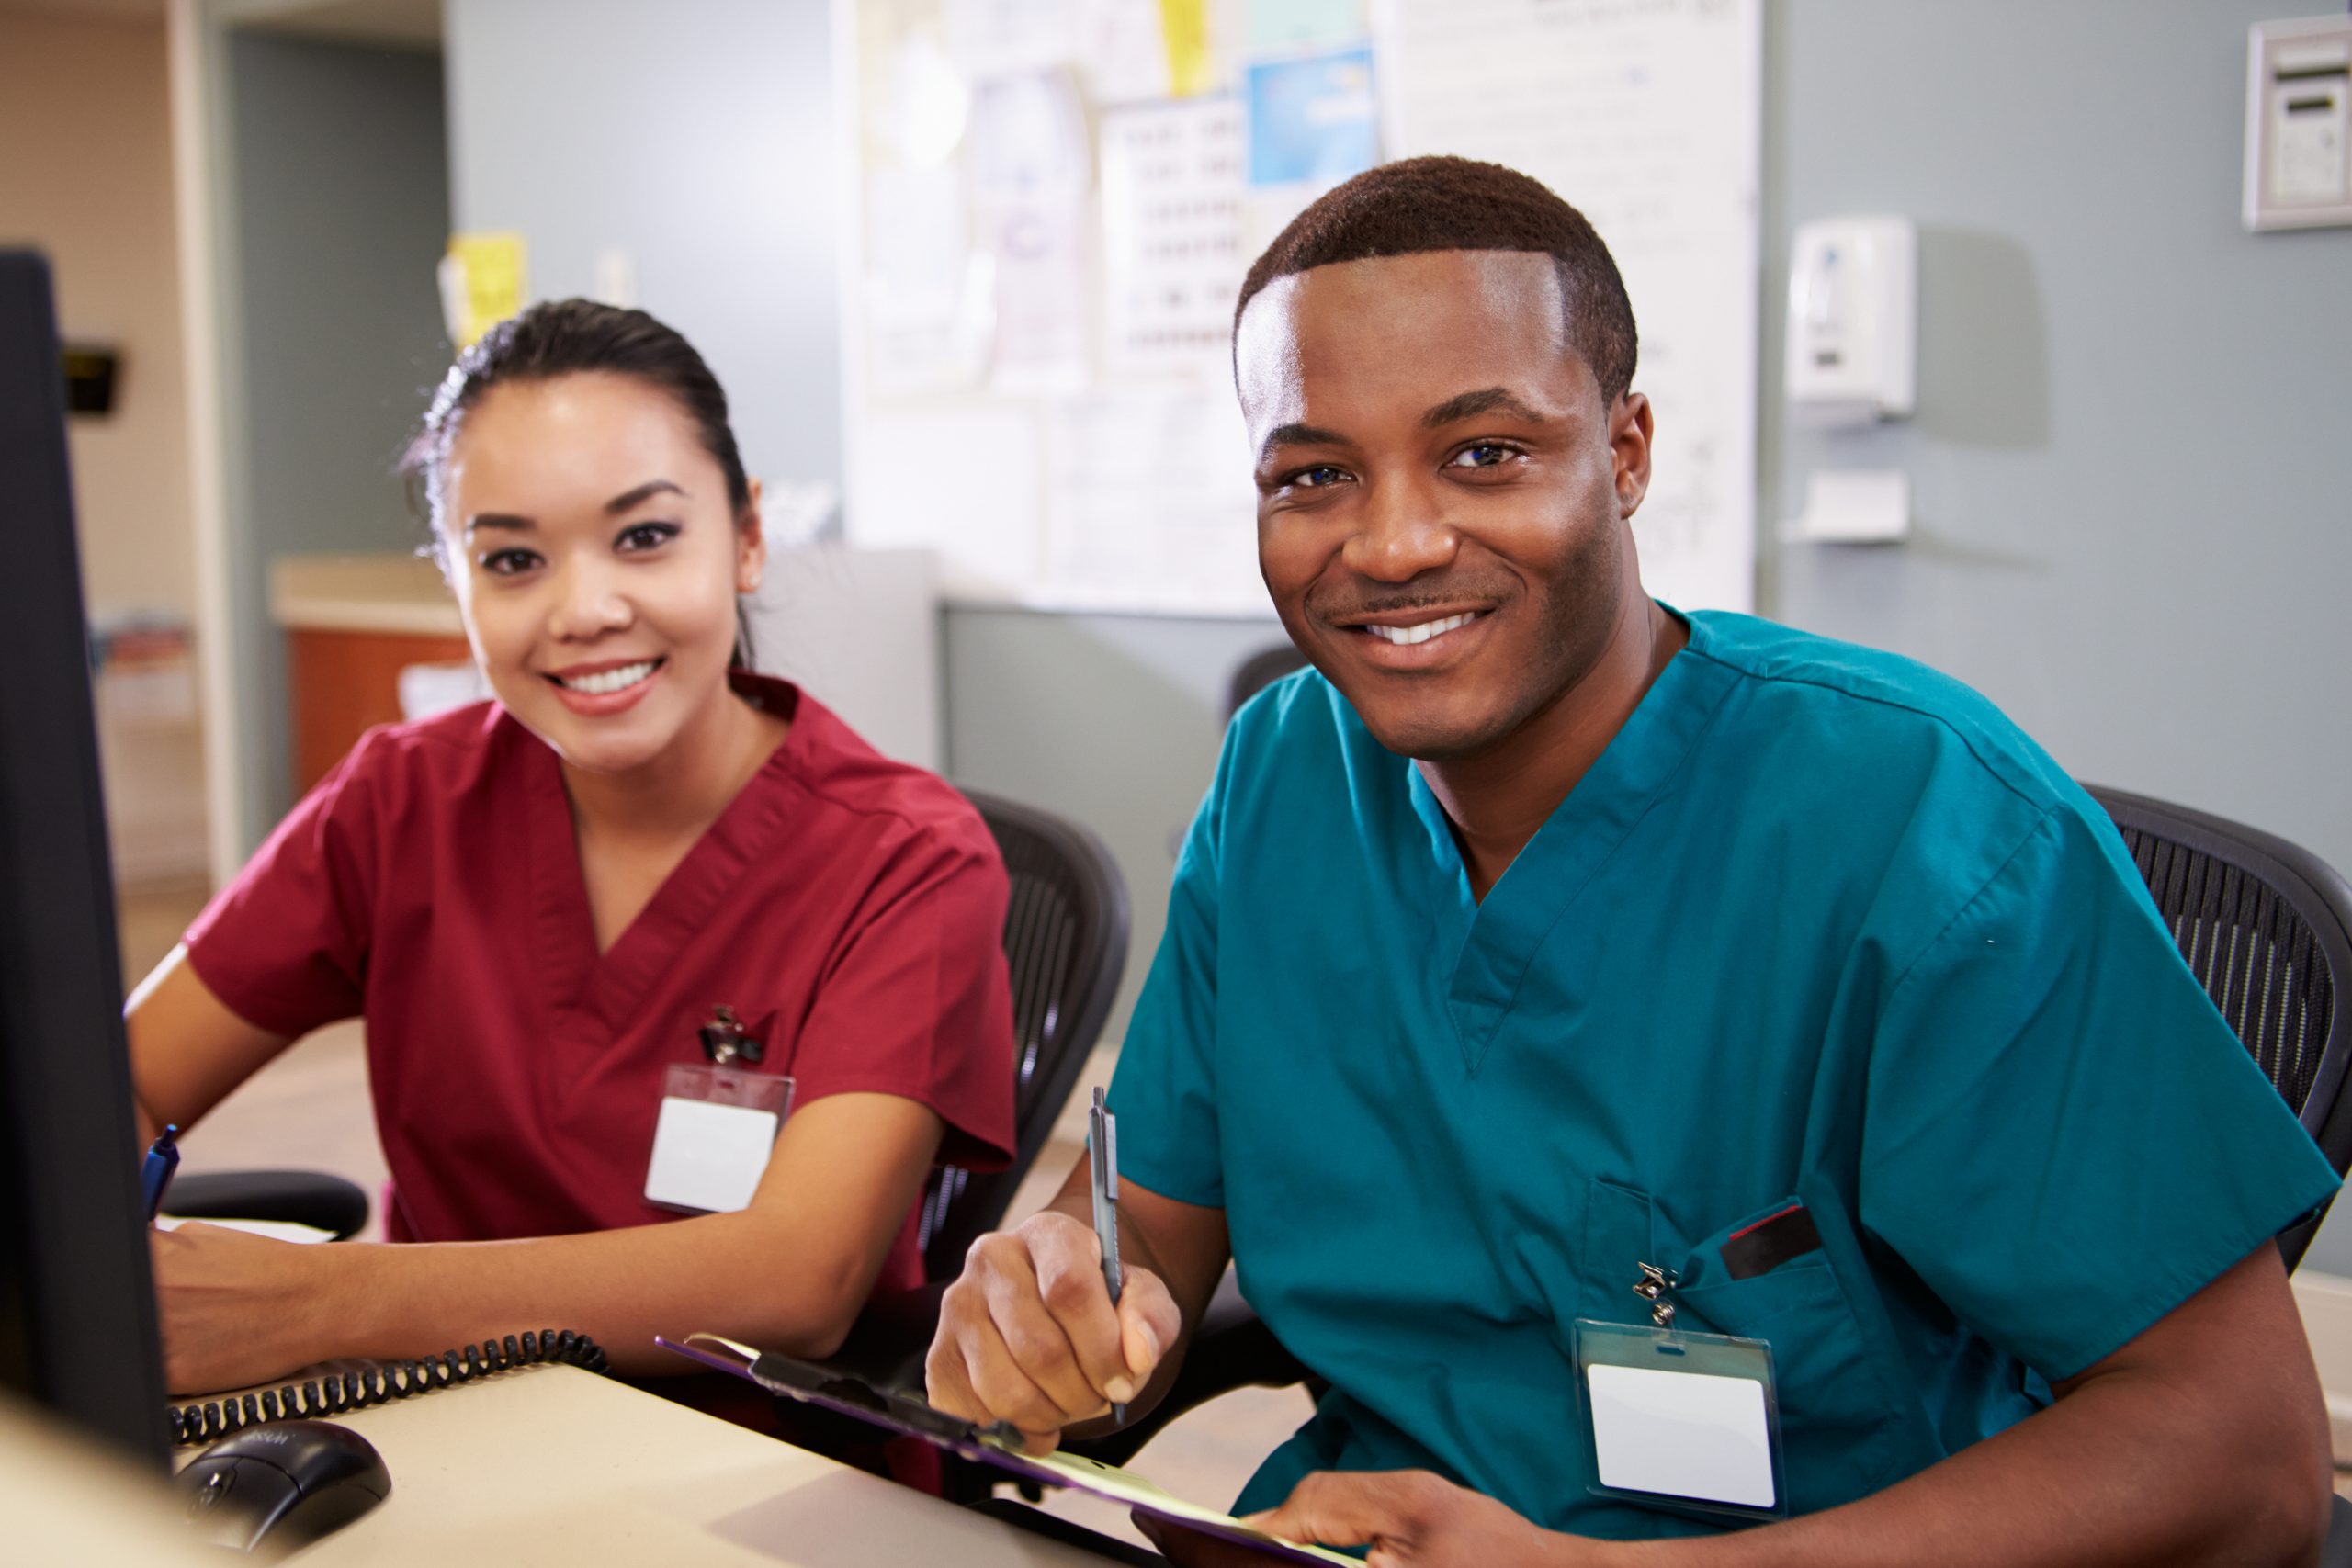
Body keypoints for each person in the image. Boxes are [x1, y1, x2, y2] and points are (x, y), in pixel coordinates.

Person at [925, 157, 2339, 1564]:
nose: (1397, 540)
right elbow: (1153, 1221)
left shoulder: (1925, 821)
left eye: (1487, 452)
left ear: (1629, 451)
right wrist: (1054, 1288)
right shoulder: (1283, 773)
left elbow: (2245, 1455)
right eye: (1314, 473)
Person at [132, 300, 1014, 1401]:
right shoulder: (399, 803)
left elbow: (801, 1276)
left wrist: (319, 1303)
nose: (583, 609)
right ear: (453, 578)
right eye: (512, 559)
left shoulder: (907, 861)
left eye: (644, 536)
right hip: (439, 1425)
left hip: (754, 1470)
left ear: (745, 537)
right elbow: (118, 1081)